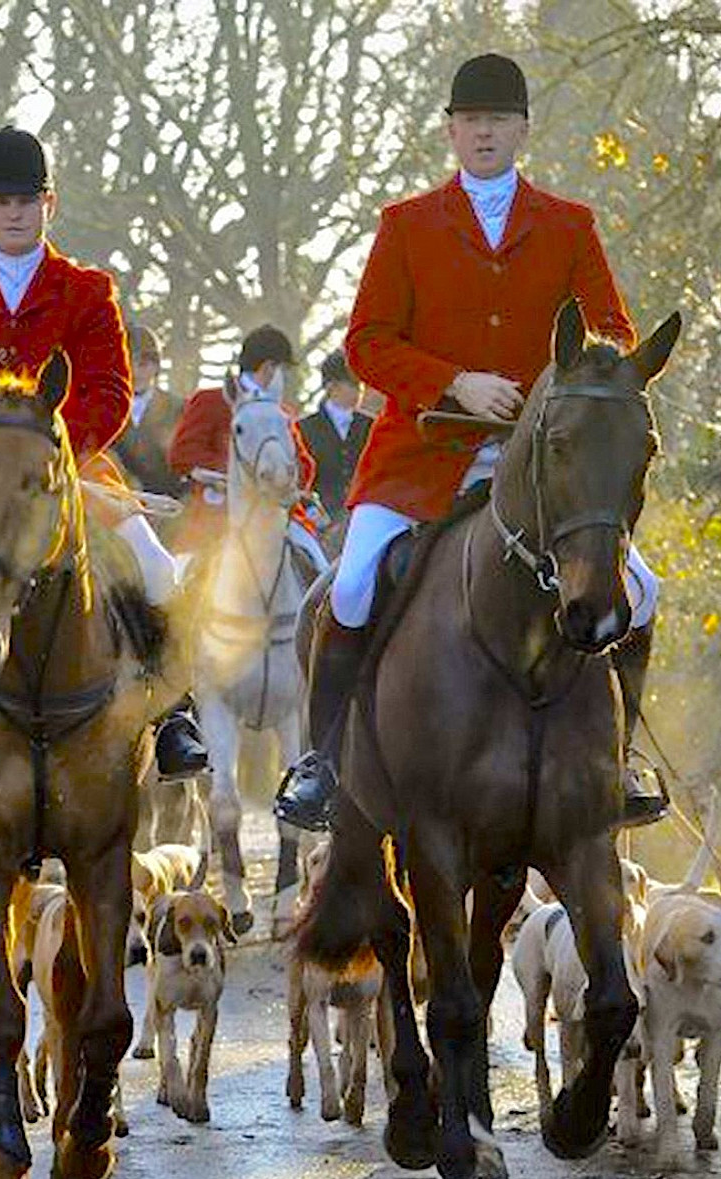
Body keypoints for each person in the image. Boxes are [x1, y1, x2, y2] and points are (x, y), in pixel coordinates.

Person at [275, 53, 664, 832]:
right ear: (452, 131)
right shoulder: (406, 225)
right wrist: (456, 383)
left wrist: (563, 383)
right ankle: (322, 762)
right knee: (350, 587)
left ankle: (618, 758)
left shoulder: (569, 225)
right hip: (423, 452)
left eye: (498, 120)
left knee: (643, 590)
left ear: (521, 129)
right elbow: (367, 344)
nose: (484, 132)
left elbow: (614, 332)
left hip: (546, 461)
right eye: (471, 120)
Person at [0, 124, 208, 790]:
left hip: (69, 473)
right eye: (1, 200)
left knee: (155, 566)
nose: (15, 211)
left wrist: (56, 459)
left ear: (50, 204)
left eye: (28, 198)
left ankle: (174, 716)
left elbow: (109, 391)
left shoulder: (88, 289)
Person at [169, 324, 329, 579]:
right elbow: (182, 454)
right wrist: (241, 473)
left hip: (278, 518)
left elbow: (305, 466)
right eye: (283, 370)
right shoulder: (210, 400)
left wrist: (285, 475)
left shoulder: (281, 413)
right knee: (178, 584)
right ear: (268, 368)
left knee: (321, 573)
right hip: (219, 515)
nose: (285, 378)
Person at [296, 348, 373, 533]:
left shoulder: (371, 425)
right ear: (332, 387)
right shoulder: (303, 429)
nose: (360, 390)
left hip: (362, 520)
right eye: (353, 384)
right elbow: (296, 480)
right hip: (318, 523)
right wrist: (312, 512)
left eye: (361, 384)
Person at [112, 325, 186, 499]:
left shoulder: (179, 408)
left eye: (143, 364)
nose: (136, 372)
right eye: (127, 364)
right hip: (116, 505)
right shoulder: (103, 409)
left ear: (156, 366)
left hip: (167, 505)